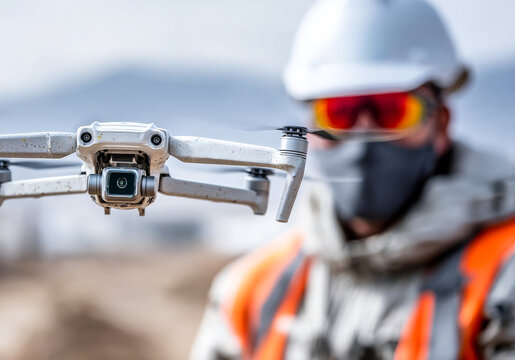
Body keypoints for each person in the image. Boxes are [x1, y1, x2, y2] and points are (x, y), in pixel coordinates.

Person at [190, 0, 515, 359]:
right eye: (339, 113)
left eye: (392, 110)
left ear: (441, 124)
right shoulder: (252, 293)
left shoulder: (505, 277)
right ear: (308, 132)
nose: (364, 138)